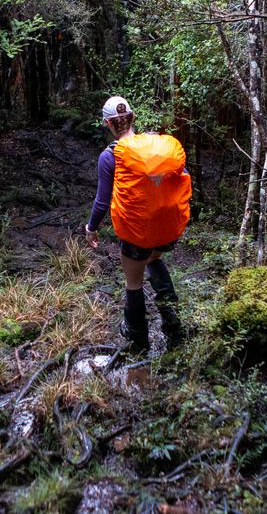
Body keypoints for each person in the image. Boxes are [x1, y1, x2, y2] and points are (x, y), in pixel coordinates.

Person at [84, 96, 189, 353]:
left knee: (134, 282)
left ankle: (138, 339)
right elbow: (182, 177)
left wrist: (91, 228)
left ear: (108, 123)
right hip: (166, 232)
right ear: (133, 118)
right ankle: (173, 327)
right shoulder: (158, 149)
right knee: (154, 260)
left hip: (135, 235)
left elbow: (101, 200)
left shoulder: (110, 156)